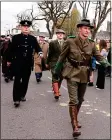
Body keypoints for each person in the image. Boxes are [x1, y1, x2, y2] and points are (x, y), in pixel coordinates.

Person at [54, 19, 110, 137]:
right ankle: (75, 125)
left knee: (80, 99)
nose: (87, 30)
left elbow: (99, 57)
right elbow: (62, 57)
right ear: (79, 29)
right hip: (71, 73)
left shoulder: (91, 43)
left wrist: (108, 64)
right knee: (74, 100)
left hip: (84, 74)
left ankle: (74, 117)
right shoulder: (70, 41)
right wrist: (56, 71)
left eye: (88, 29)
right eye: (85, 28)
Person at [7, 20, 43, 107]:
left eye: (27, 27)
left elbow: (38, 48)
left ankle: (22, 95)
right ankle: (16, 99)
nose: (26, 28)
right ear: (21, 28)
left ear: (29, 28)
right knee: (17, 80)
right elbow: (10, 50)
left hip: (28, 63)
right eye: (24, 27)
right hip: (17, 62)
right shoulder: (15, 38)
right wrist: (9, 60)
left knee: (25, 81)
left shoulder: (33, 39)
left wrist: (40, 53)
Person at [46, 29, 66, 100]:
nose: (60, 35)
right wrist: (47, 63)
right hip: (54, 62)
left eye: (61, 33)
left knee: (61, 77)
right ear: (56, 35)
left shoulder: (66, 43)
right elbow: (50, 54)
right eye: (58, 33)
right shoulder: (52, 43)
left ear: (63, 35)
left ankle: (57, 89)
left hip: (63, 63)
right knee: (55, 76)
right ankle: (56, 92)